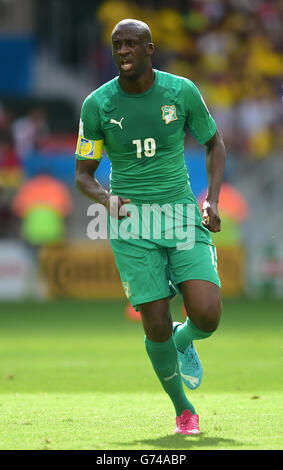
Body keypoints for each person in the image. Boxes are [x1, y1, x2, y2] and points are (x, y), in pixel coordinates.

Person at [75, 19, 226, 435]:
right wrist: (107, 198)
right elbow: (83, 174)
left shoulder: (181, 91)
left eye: (131, 44)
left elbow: (213, 143)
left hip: (179, 213)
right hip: (131, 222)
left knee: (208, 315)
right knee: (154, 320)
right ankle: (184, 411)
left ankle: (182, 341)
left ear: (149, 49)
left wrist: (211, 197)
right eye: (116, 45)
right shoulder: (97, 104)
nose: (123, 51)